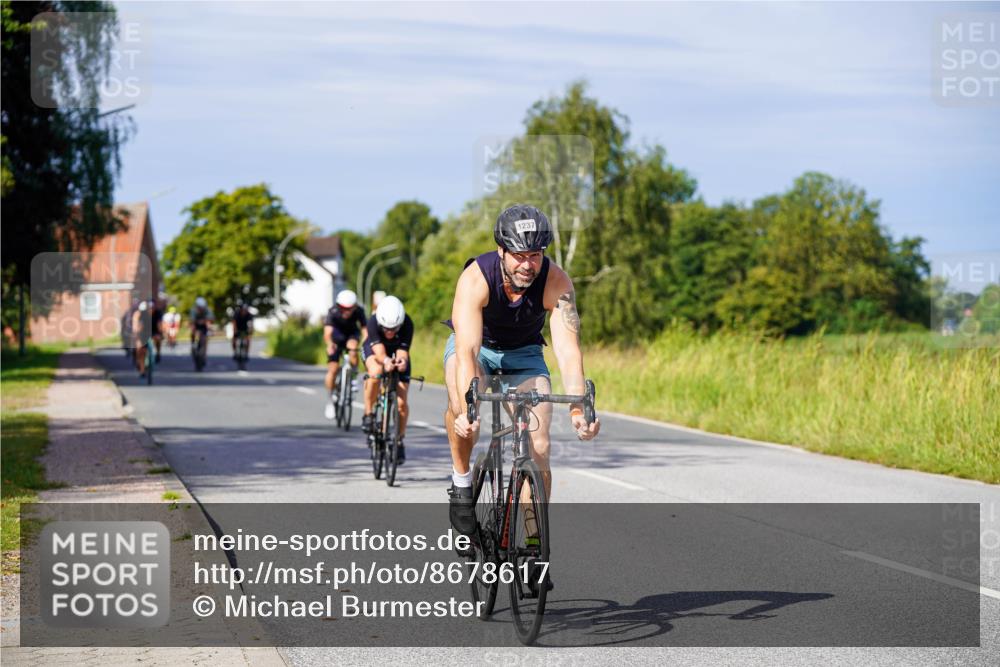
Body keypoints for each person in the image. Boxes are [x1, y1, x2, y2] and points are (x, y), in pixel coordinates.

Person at [443, 204, 601, 538]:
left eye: (536, 255)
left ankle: (532, 543)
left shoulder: (556, 281)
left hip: (525, 354)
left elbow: (568, 351)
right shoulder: (476, 277)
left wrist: (577, 409)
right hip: (479, 348)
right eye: (519, 255)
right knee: (463, 411)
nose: (528, 265)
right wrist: (467, 405)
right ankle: (461, 482)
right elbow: (467, 349)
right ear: (501, 250)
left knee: (539, 446)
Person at [361, 295, 413, 464]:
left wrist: (402, 362)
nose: (390, 332)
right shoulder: (373, 322)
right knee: (375, 372)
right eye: (386, 329)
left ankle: (399, 441)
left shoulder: (407, 324)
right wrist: (385, 362)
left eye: (394, 329)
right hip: (376, 351)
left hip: (396, 351)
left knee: (401, 403)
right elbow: (380, 353)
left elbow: (403, 352)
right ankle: (368, 414)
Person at [323, 289, 366, 419]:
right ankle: (331, 400)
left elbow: (365, 330)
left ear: (354, 307)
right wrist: (330, 345)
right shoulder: (333, 312)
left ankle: (353, 378)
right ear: (338, 306)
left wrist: (365, 344)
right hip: (336, 337)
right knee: (333, 369)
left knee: (353, 348)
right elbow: (327, 333)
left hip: (351, 335)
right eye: (343, 308)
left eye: (350, 308)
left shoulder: (359, 311)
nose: (346, 311)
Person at [190, 297, 214, 364]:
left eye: (202, 307)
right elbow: (192, 322)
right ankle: (193, 345)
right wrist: (193, 330)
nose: (201, 308)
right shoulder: (193, 310)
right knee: (193, 332)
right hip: (196, 326)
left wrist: (210, 329)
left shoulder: (208, 310)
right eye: (199, 307)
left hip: (204, 327)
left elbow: (209, 321)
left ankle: (204, 356)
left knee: (205, 340)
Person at [131, 300, 152, 377]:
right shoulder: (137, 314)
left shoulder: (149, 313)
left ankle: (149, 360)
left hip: (147, 333)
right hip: (140, 334)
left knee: (146, 349)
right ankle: (142, 369)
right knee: (140, 350)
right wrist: (136, 333)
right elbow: (135, 325)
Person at [150, 298, 165, 363]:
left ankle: (158, 353)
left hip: (155, 330)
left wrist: (161, 333)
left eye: (152, 308)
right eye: (150, 308)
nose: (151, 310)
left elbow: (160, 323)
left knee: (158, 339)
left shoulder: (158, 313)